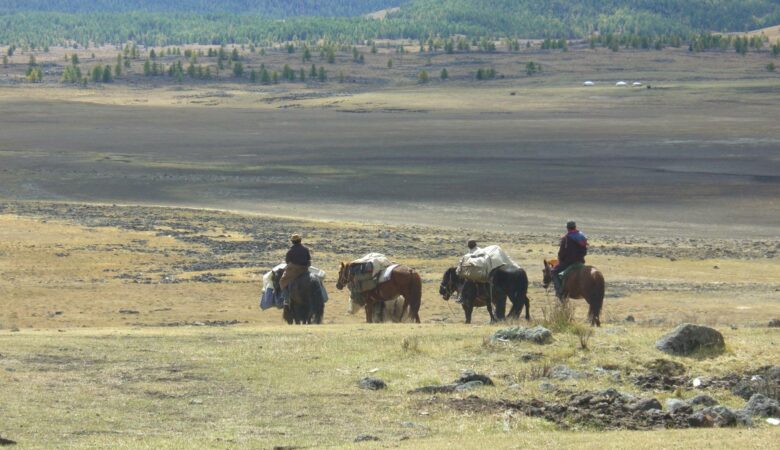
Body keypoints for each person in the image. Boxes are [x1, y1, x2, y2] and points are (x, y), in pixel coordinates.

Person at [552, 221, 588, 298]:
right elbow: (585, 251)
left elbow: (562, 253)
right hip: (580, 262)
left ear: (567, 228)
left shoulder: (566, 239)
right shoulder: (582, 236)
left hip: (568, 263)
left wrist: (561, 259)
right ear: (575, 227)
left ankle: (560, 291)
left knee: (554, 272)